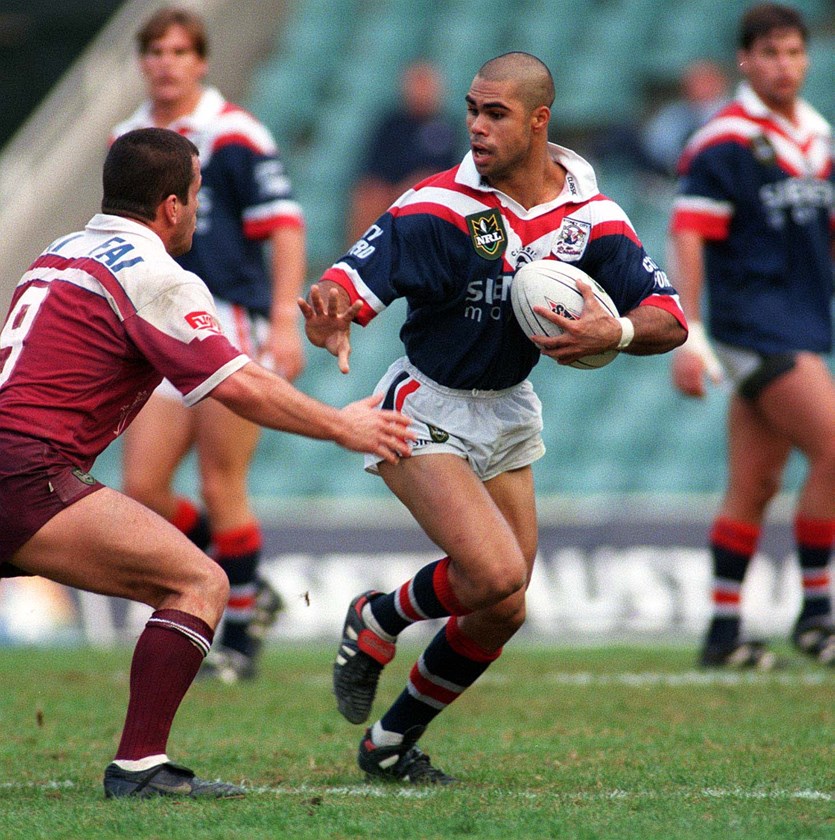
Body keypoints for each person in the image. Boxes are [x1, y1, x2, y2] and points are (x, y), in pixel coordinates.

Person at [299, 52, 688, 784]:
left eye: (495, 113)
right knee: (496, 570)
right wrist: (330, 313)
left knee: (502, 607)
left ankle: (388, 743)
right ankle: (377, 618)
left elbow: (668, 316)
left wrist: (619, 332)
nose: (475, 126)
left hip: (506, 411)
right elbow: (347, 281)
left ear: (539, 121)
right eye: (472, 111)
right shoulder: (436, 205)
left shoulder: (590, 217)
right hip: (422, 405)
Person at [0, 127, 414, 798]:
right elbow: (238, 385)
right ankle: (139, 767)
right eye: (194, 196)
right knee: (198, 584)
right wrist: (341, 424)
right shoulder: (154, 275)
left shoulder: (60, 249)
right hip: (26, 470)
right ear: (170, 206)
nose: (196, 209)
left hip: (17, 461)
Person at [110, 7, 307, 682]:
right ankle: (233, 577)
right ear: (144, 62)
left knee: (224, 483)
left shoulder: (234, 134)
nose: (165, 62)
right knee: (143, 486)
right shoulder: (128, 136)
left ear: (200, 62)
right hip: (158, 319)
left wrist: (283, 317)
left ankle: (241, 641)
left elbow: (283, 224)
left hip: (227, 318)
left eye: (177, 51)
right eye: (155, 51)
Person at [669, 4, 834, 669]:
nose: (784, 65)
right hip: (750, 328)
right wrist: (690, 334)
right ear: (745, 59)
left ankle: (722, 631)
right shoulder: (723, 141)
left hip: (798, 323)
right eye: (770, 53)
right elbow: (687, 234)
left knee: (754, 482)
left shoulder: (818, 137)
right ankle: (818, 616)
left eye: (793, 53)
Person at [346, 60, 461, 245]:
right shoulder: (391, 124)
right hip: (391, 191)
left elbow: (449, 173)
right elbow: (375, 169)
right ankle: (361, 257)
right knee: (368, 196)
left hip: (429, 193)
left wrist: (413, 187)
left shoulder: (447, 127)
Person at [641, 59, 731, 178]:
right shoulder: (673, 114)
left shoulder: (733, 112)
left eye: (704, 81)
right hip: (675, 177)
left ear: (720, 82)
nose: (698, 87)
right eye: (693, 81)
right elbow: (655, 148)